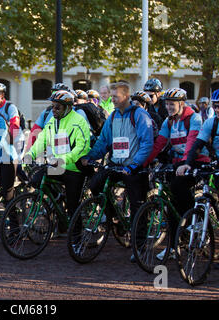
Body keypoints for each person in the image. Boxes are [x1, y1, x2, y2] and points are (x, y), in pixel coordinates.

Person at [80, 82, 154, 261]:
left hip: (134, 167)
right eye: (111, 96)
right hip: (116, 164)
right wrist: (90, 157)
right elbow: (103, 141)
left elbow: (147, 144)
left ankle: (140, 245)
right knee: (95, 184)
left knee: (138, 206)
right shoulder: (113, 117)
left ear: (126, 97)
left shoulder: (140, 115)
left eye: (116, 97)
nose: (112, 100)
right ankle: (116, 219)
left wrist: (134, 165)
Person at [143, 88, 210, 259]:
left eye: (172, 104)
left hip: (197, 161)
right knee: (170, 202)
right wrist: (143, 163)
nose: (169, 107)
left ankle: (194, 219)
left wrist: (186, 164)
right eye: (167, 104)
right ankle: (173, 246)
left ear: (181, 103)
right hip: (179, 163)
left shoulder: (193, 118)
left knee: (177, 186)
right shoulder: (169, 121)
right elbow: (159, 144)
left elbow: (192, 141)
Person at [177, 88, 219, 269]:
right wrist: (188, 163)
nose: (218, 110)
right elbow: (198, 144)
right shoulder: (212, 123)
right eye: (215, 107)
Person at [26, 89, 91, 234]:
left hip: (74, 168)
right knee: (36, 179)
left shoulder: (78, 121)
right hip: (56, 166)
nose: (53, 110)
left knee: (73, 205)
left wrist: (63, 160)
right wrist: (30, 154)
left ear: (67, 107)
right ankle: (57, 204)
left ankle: (76, 237)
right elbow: (42, 139)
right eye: (52, 106)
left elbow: (82, 147)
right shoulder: (52, 121)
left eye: (57, 107)